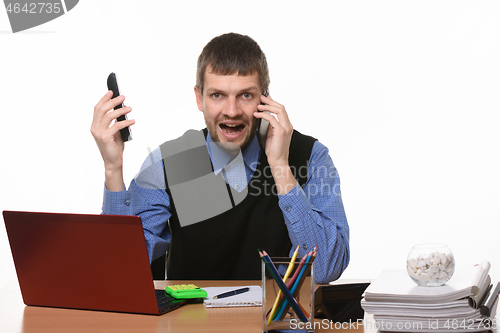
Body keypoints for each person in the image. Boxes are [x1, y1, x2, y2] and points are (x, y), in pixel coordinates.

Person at [91, 32, 349, 283]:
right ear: (199, 98)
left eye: (246, 95)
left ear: (265, 99)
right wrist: (113, 169)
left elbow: (326, 268)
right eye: (217, 96)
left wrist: (281, 167)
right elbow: (119, 268)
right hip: (194, 324)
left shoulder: (312, 157)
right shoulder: (167, 164)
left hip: (275, 323)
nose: (232, 111)